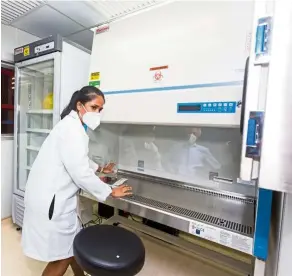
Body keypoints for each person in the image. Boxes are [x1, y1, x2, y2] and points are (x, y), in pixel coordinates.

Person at [21, 86, 132, 276]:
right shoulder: (72, 130)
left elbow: (77, 158)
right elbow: (80, 172)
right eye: (94, 107)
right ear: (80, 106)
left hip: (49, 197)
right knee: (62, 257)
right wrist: (110, 191)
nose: (97, 113)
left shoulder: (72, 126)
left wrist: (99, 169)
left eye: (100, 109)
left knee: (73, 246)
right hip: (52, 204)